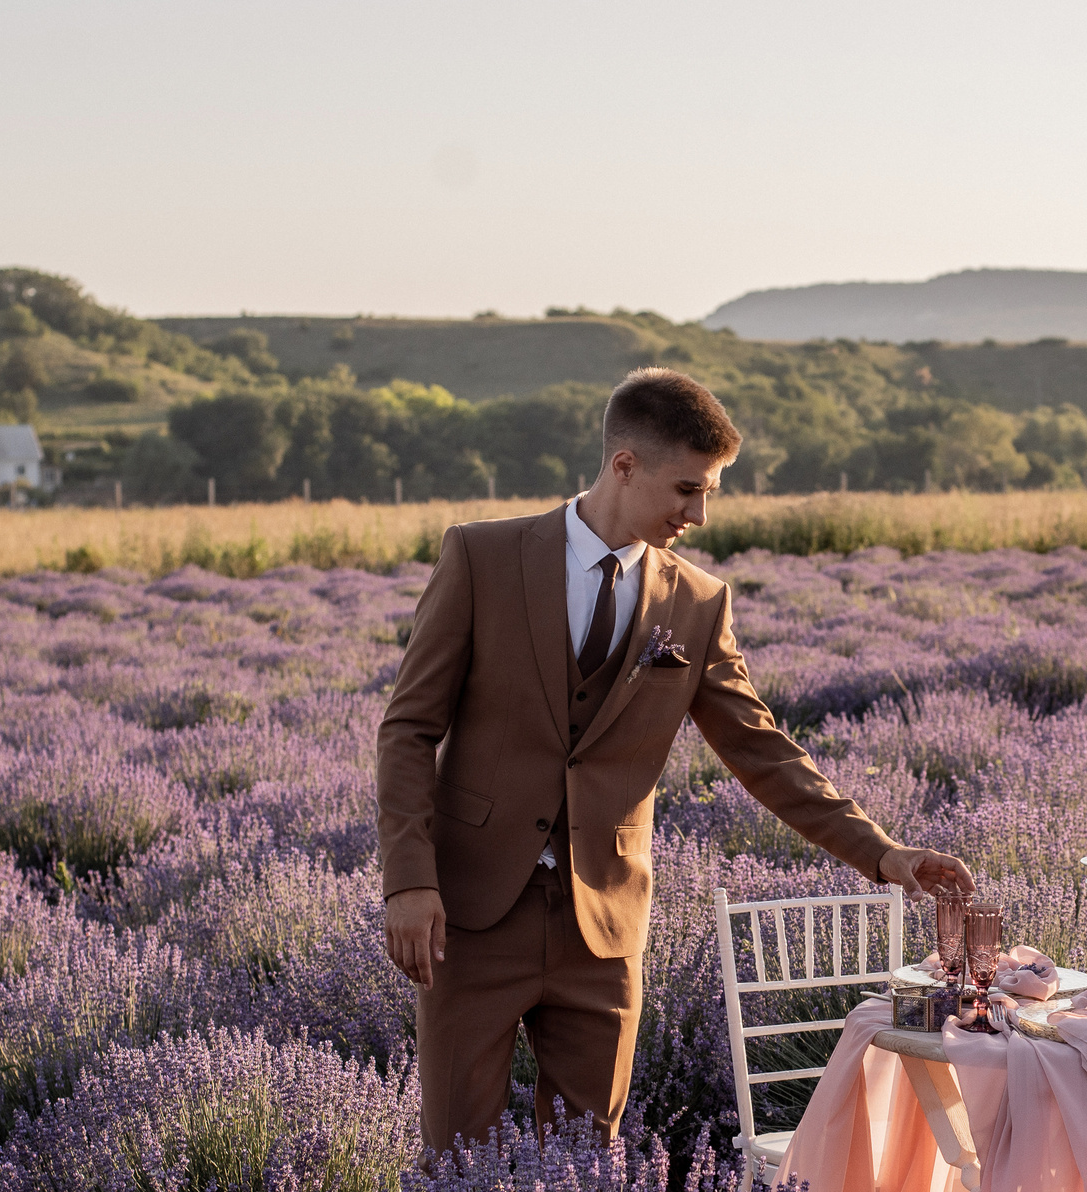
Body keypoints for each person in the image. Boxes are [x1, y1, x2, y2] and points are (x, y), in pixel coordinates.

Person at [377, 367, 973, 1150]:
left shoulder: (696, 603)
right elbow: (407, 729)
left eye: (710, 493)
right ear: (624, 465)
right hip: (471, 918)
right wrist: (411, 881)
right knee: (455, 1169)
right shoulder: (480, 558)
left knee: (588, 1174)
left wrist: (884, 852)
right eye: (687, 489)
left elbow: (763, 750)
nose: (698, 513)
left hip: (606, 928)